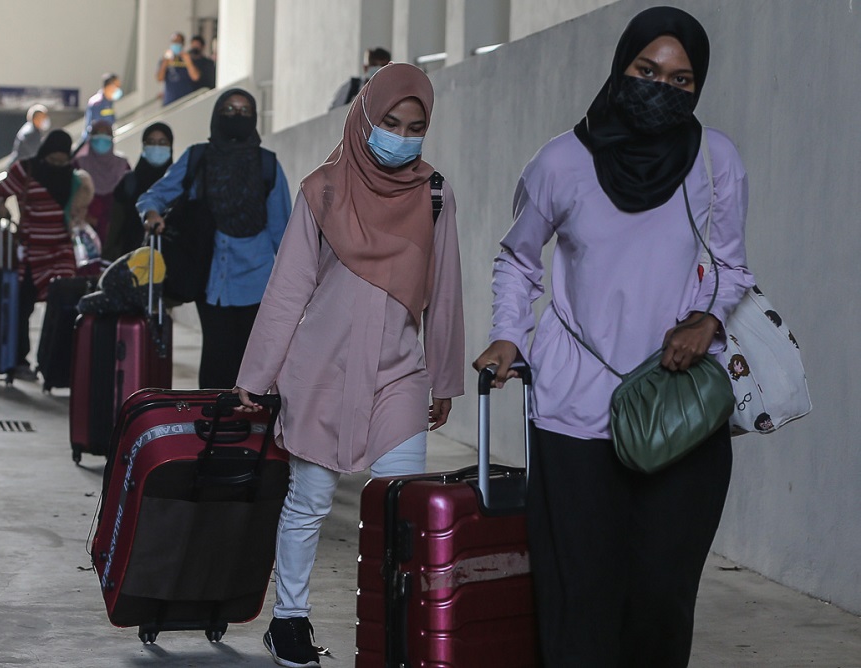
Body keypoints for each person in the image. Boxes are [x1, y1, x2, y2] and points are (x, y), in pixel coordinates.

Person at [472, 7, 754, 666]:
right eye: (646, 71)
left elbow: (731, 264)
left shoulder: (717, 160)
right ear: (620, 67)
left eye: (681, 81)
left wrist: (705, 319)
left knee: (661, 595)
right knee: (580, 593)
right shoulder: (561, 163)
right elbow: (517, 259)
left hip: (678, 409)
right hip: (575, 410)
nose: (662, 88)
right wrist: (508, 335)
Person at [234, 63, 465, 667]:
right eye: (390, 122)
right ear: (364, 117)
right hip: (322, 372)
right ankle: (288, 619)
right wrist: (255, 380)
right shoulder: (323, 191)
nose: (402, 136)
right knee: (308, 503)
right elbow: (287, 292)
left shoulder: (434, 194)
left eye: (415, 127)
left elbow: (445, 293)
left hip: (397, 375)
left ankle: (398, 629)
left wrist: (443, 375)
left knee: (401, 509)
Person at [139, 89, 292, 390]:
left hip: (258, 278)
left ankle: (246, 428)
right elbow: (154, 195)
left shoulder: (267, 165)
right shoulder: (199, 158)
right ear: (217, 115)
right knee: (216, 355)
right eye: (230, 110)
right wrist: (151, 214)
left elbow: (283, 233)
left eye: (245, 111)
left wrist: (293, 287)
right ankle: (213, 422)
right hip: (211, 275)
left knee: (251, 361)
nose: (237, 117)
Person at [0, 130, 92, 380]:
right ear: (44, 152)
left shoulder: (72, 176)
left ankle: (56, 366)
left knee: (65, 308)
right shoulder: (25, 169)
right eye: (53, 159)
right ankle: (20, 360)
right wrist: (1, 209)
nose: (57, 165)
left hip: (62, 250)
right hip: (31, 252)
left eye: (61, 160)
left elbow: (81, 208)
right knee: (23, 306)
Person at [104, 122, 173, 261]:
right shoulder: (129, 182)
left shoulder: (177, 183)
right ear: (144, 146)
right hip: (130, 260)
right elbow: (115, 228)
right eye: (151, 142)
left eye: (162, 142)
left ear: (171, 146)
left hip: (171, 262)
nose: (156, 147)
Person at [72, 120, 130, 245]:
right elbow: (69, 197)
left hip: (117, 231)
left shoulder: (122, 165)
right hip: (85, 231)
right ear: (90, 137)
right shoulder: (79, 164)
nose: (102, 138)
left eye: (106, 134)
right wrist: (84, 217)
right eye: (98, 133)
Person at [157, 33, 216, 105]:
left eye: (178, 42)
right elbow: (159, 78)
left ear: (183, 43)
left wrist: (188, 60)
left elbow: (196, 77)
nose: (176, 44)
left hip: (186, 101)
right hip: (169, 101)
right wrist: (165, 63)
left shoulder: (189, 58)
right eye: (174, 42)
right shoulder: (165, 60)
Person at [81, 74, 121, 144]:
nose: (118, 89)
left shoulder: (110, 102)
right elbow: (93, 126)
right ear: (109, 86)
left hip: (107, 140)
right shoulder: (96, 102)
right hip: (95, 141)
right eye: (116, 86)